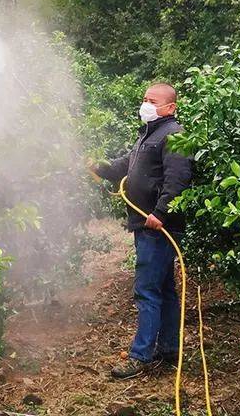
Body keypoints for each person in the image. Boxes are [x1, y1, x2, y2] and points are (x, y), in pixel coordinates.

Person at [89, 82, 192, 379]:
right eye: (145, 98)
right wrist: (99, 166)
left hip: (158, 227)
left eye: (153, 100)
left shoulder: (174, 135)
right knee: (163, 290)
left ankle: (140, 356)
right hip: (146, 224)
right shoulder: (149, 134)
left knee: (146, 290)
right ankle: (169, 349)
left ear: (170, 107)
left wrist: (160, 212)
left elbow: (178, 178)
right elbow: (126, 164)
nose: (146, 104)